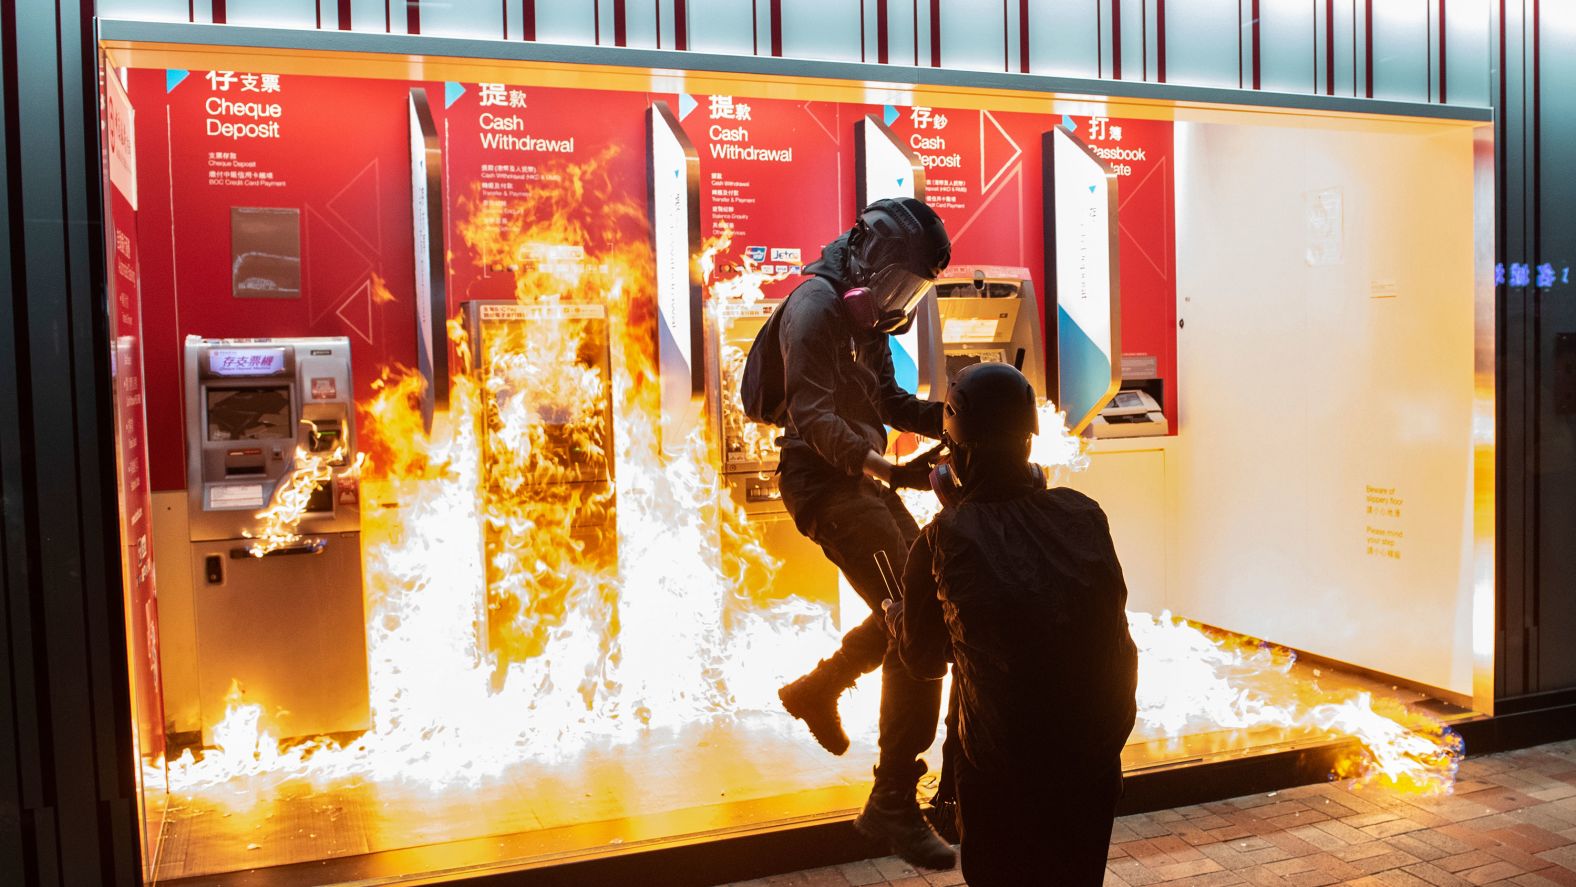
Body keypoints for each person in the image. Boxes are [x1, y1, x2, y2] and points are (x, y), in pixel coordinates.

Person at [886, 362, 1139, 886]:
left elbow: (925, 662)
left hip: (1004, 776)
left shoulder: (945, 538)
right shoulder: (1083, 512)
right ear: (1029, 445)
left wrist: (897, 620)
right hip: (1091, 767)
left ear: (956, 455)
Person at [771, 197, 956, 869]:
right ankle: (895, 801)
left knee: (928, 600)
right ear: (871, 260)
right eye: (900, 281)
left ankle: (820, 687)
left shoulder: (868, 317)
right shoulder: (816, 306)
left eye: (915, 290)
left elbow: (890, 403)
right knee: (916, 619)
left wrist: (961, 417)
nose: (900, 299)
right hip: (823, 484)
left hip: (863, 481)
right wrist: (887, 466)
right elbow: (813, 414)